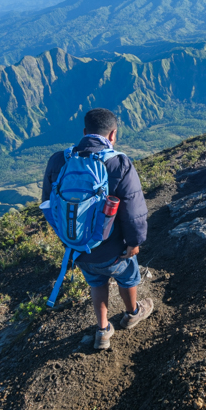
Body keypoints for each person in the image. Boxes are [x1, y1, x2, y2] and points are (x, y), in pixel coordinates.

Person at [42, 108, 153, 350]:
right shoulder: (119, 163)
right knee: (128, 278)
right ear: (112, 135)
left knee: (96, 282)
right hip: (114, 250)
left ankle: (102, 331)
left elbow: (49, 206)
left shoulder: (58, 160)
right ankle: (132, 313)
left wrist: (69, 240)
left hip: (78, 249)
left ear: (84, 132)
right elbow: (134, 211)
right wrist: (134, 243)